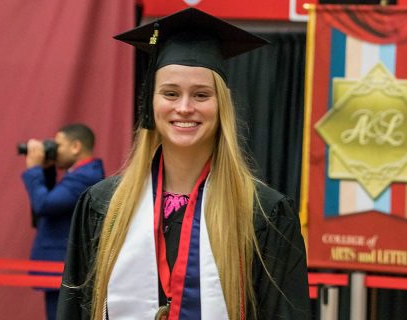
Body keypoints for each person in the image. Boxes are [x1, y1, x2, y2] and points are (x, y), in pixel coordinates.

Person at [57, 8, 310, 320]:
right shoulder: (103, 206)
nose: (185, 107)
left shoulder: (264, 214)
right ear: (151, 101)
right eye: (171, 93)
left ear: (222, 105)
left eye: (201, 95)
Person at [21, 123, 105, 320]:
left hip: (63, 267)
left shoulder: (85, 177)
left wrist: (33, 169)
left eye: (58, 145)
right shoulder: (78, 174)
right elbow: (49, 209)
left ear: (75, 147)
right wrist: (47, 170)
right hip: (60, 266)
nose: (54, 151)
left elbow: (44, 205)